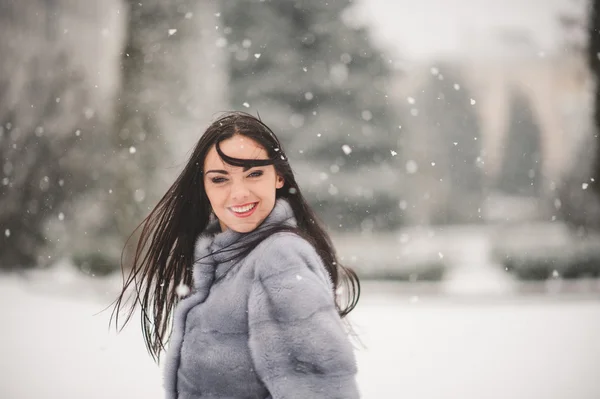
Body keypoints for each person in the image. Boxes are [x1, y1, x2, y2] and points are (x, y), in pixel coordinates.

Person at [112, 111, 361, 398]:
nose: (239, 193)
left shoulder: (280, 260)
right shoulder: (225, 261)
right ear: (204, 186)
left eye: (254, 174)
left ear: (278, 177)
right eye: (220, 179)